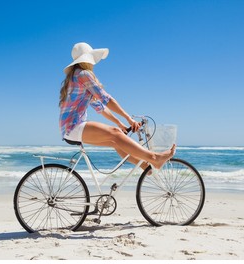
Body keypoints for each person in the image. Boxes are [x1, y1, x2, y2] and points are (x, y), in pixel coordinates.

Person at [59, 42, 175, 170]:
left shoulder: (75, 76)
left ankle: (143, 166)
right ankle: (154, 158)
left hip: (69, 129)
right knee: (115, 133)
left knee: (116, 141)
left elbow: (100, 107)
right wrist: (128, 118)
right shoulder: (83, 75)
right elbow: (106, 99)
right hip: (74, 127)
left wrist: (119, 123)